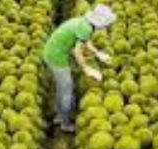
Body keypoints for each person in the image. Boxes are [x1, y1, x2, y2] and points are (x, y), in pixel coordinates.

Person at [42, 4, 116, 133]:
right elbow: (77, 52)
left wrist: (98, 54)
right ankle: (65, 123)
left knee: (62, 86)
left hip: (52, 50)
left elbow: (85, 41)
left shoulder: (84, 22)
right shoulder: (86, 28)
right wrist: (86, 69)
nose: (106, 27)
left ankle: (59, 116)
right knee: (67, 90)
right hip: (56, 56)